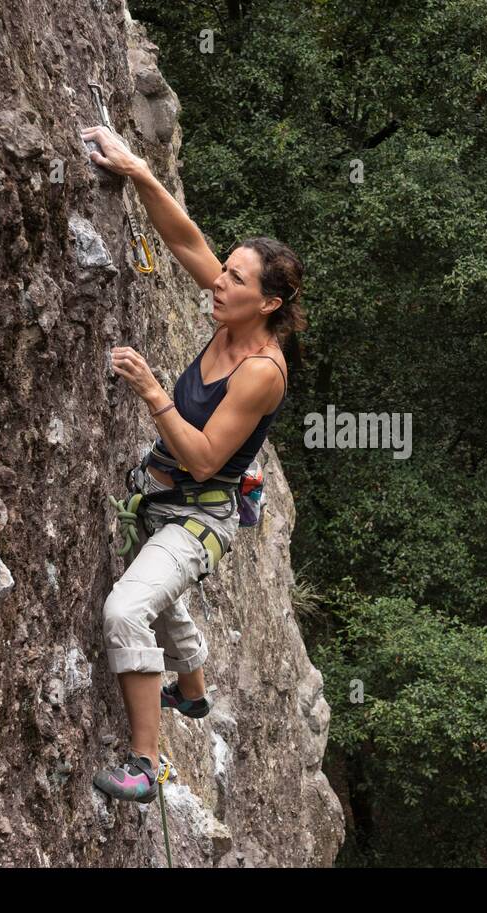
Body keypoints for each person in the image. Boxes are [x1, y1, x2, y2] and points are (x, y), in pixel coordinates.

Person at [80, 124, 306, 803]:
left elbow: (206, 459)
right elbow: (185, 242)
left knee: (128, 608)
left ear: (267, 301)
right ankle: (193, 690)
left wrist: (153, 391)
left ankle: (145, 762)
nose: (218, 281)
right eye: (226, 270)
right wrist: (140, 172)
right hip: (168, 500)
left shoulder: (263, 368)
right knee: (163, 592)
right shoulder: (233, 315)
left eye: (234, 278)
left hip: (199, 514)